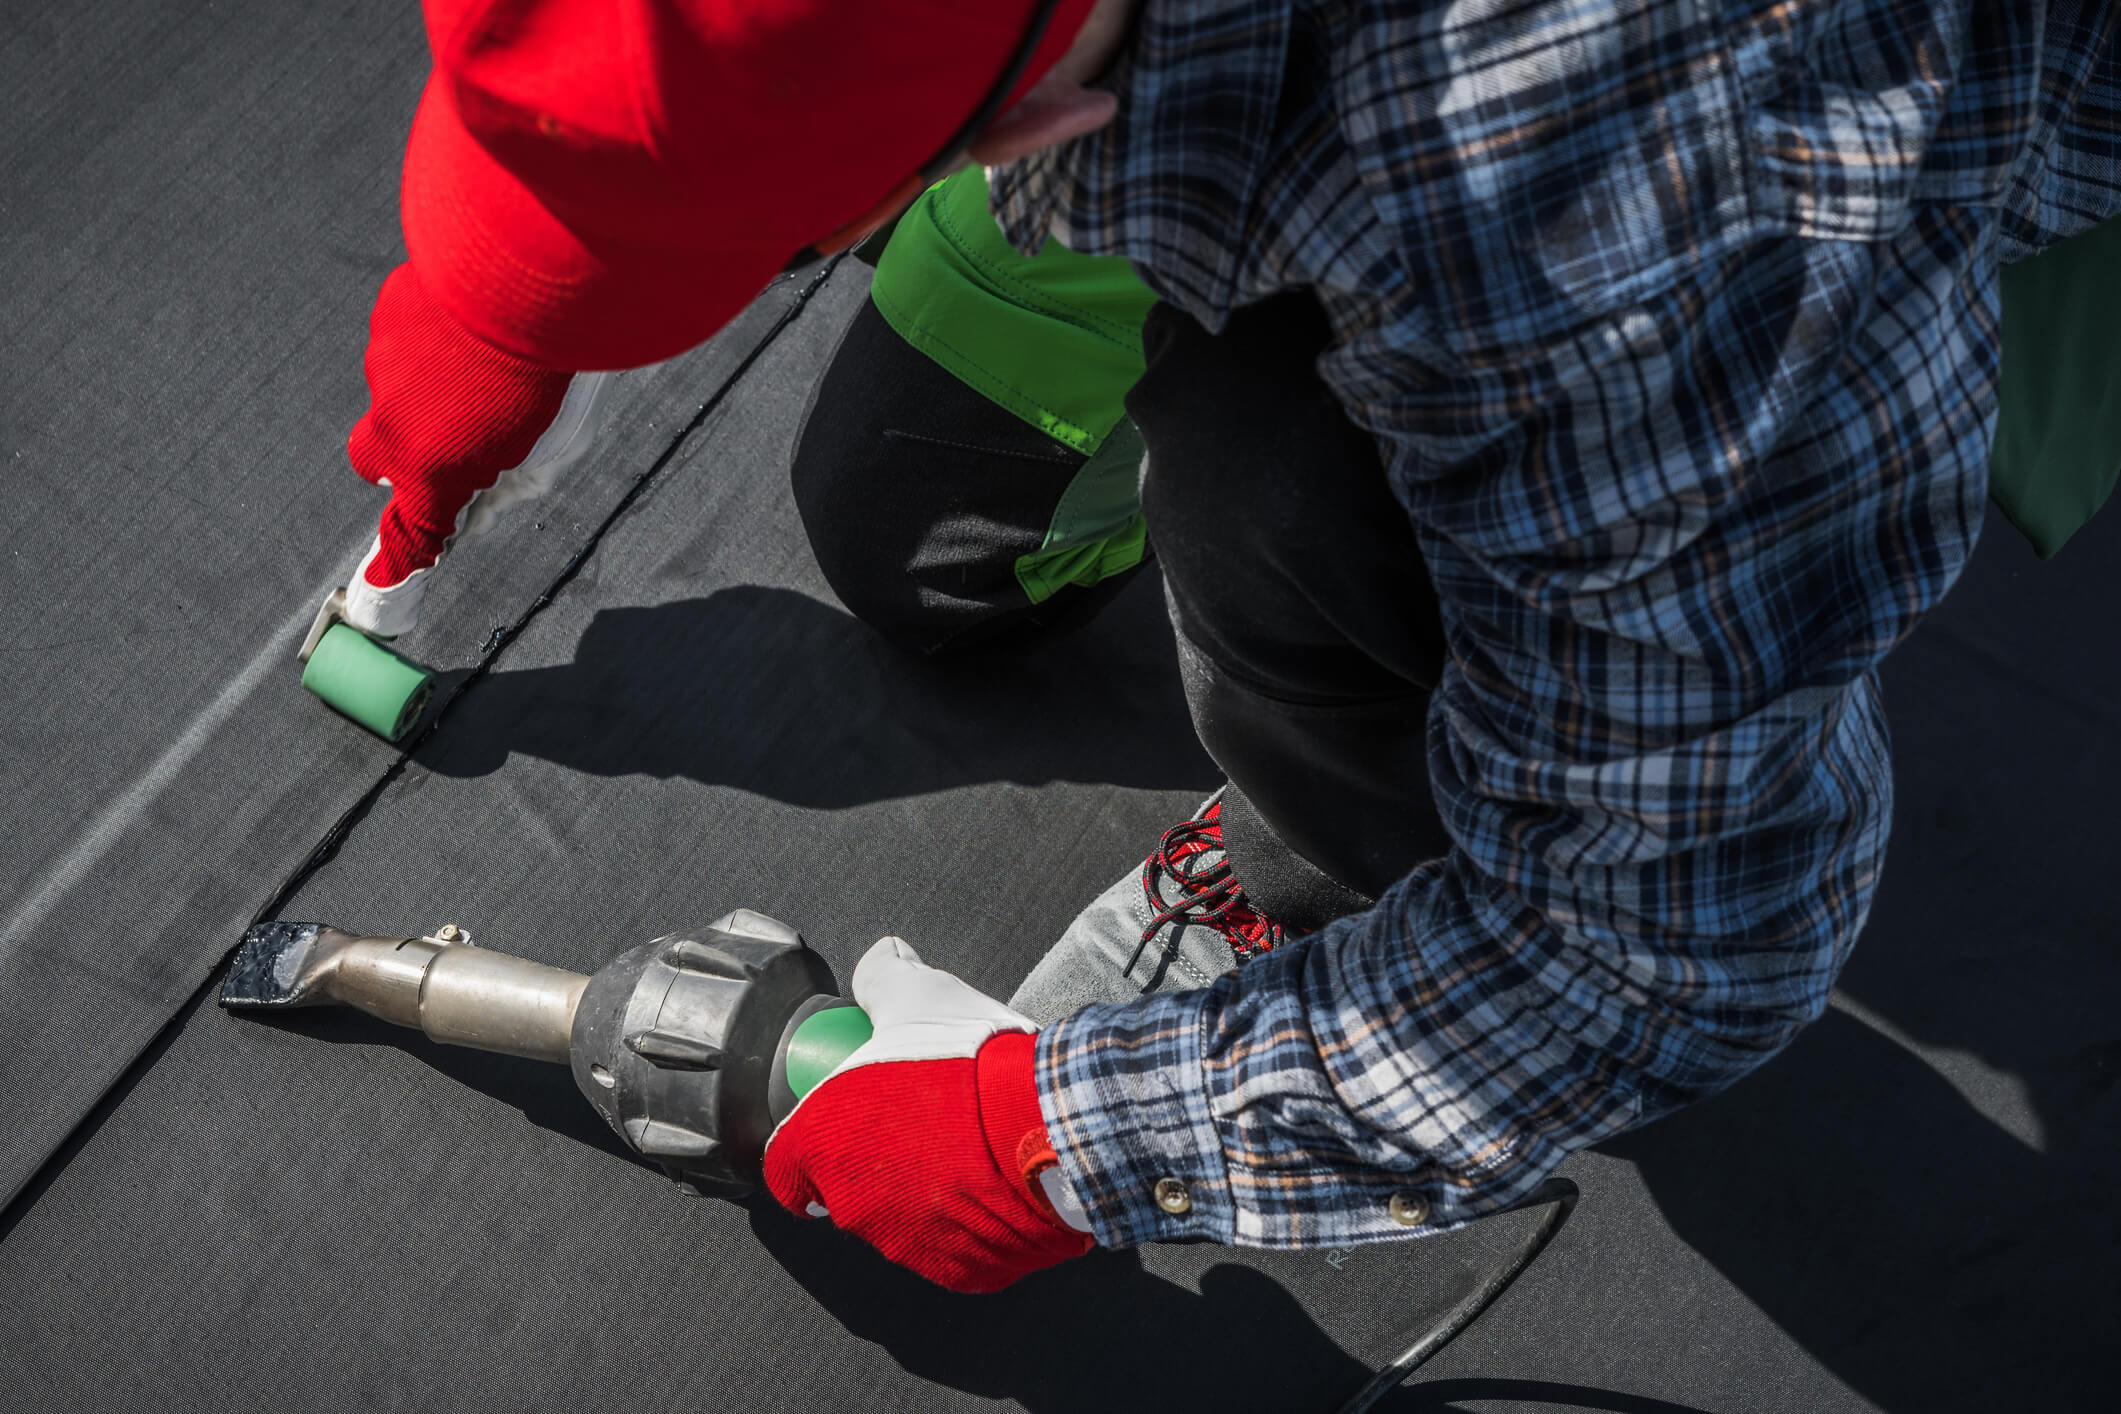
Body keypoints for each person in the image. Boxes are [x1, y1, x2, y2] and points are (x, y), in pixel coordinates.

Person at [340, 0, 2121, 1293]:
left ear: (1025, 123)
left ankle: (1338, 869)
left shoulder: (1619, 247)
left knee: (1276, 445)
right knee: (918, 521)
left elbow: (1662, 951)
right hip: (1227, 68)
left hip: (1818, 155)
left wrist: (1059, 1143)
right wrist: (503, 295)